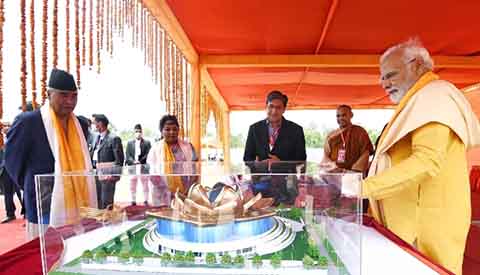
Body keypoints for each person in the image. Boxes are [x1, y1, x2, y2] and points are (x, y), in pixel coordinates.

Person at [363, 39, 480, 275]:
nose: (383, 84)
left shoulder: (436, 95)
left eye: (390, 75)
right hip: (406, 225)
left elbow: (426, 161)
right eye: (382, 78)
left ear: (416, 64)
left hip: (425, 229)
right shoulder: (419, 99)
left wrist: (360, 189)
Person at [5, 69, 96, 239]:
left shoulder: (81, 125)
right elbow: (12, 163)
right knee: (44, 262)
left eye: (74, 96)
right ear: (49, 94)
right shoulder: (29, 122)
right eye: (63, 95)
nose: (69, 101)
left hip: (77, 208)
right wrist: (31, 185)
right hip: (42, 209)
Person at [243, 90, 306, 204]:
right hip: (261, 186)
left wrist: (281, 162)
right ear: (266, 106)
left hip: (287, 186)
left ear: (284, 109)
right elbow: (247, 158)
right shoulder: (254, 129)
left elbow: (301, 159)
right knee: (262, 217)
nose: (274, 111)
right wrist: (256, 164)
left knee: (287, 218)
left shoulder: (296, 130)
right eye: (271, 106)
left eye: (278, 107)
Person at [147, 115, 198, 206]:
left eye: (175, 129)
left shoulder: (188, 147)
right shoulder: (155, 149)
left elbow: (195, 170)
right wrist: (167, 190)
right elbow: (151, 174)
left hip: (185, 193)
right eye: (167, 129)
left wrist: (188, 190)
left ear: (178, 130)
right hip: (162, 193)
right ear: (161, 131)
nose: (172, 132)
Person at [322, 105, 374, 174]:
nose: (340, 118)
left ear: (351, 115)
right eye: (338, 116)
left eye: (344, 115)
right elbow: (325, 155)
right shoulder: (331, 135)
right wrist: (333, 167)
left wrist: (353, 171)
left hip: (353, 173)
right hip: (335, 173)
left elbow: (366, 153)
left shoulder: (360, 131)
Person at [90, 114, 124, 209]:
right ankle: (100, 220)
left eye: (94, 123)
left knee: (106, 200)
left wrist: (114, 175)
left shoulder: (114, 138)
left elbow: (119, 160)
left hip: (108, 175)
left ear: (100, 123)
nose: (92, 125)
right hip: (95, 174)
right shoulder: (95, 138)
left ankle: (108, 220)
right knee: (98, 200)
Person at [0, 122, 24, 223]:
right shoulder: (1, 139)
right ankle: (10, 214)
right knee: (7, 193)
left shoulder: (16, 138)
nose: (5, 129)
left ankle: (27, 214)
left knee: (23, 192)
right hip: (4, 170)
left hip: (16, 168)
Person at [125, 124, 151, 206]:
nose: (138, 133)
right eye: (136, 131)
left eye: (139, 131)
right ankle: (133, 200)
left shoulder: (147, 143)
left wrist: (140, 161)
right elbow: (127, 155)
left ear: (142, 132)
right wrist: (133, 162)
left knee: (145, 184)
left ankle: (146, 200)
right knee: (132, 184)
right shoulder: (129, 143)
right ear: (134, 132)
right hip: (133, 167)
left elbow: (148, 154)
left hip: (143, 166)